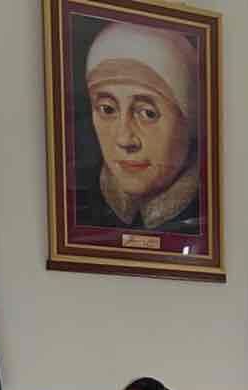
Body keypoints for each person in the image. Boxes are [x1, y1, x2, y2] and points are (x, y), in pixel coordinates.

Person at [76, 22, 204, 236]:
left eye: (147, 113)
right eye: (107, 109)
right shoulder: (80, 204)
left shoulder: (207, 211)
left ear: (189, 122)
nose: (125, 140)